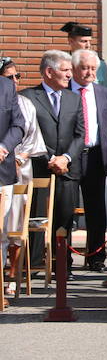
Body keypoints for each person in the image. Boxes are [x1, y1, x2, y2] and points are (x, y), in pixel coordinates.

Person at [21, 50, 84, 276]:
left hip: (67, 170)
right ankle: (34, 264)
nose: (70, 75)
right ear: (49, 71)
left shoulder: (74, 98)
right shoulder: (28, 97)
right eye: (65, 70)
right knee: (36, 217)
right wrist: (50, 158)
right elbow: (28, 133)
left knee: (65, 218)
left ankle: (62, 264)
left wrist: (65, 158)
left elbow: (80, 134)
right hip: (39, 169)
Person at [69, 49, 107, 272]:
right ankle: (64, 259)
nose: (89, 73)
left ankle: (96, 258)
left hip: (96, 155)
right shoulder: (65, 91)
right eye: (84, 68)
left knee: (96, 210)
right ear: (74, 68)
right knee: (66, 208)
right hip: (70, 157)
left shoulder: (104, 93)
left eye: (93, 69)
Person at [0, 60, 26, 301]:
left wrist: (4, 147)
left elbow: (18, 125)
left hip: (2, 172)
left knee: (1, 233)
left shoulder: (6, 88)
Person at [60, 22, 107, 91]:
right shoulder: (62, 64)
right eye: (84, 41)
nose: (88, 45)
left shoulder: (99, 64)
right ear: (71, 41)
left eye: (90, 41)